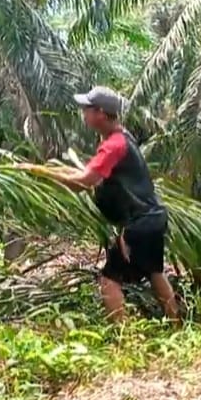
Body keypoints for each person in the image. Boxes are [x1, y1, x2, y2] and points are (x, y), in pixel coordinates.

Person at [46, 85, 180, 324]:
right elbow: (91, 173)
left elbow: (84, 182)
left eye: (87, 109)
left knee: (109, 279)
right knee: (154, 272)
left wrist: (46, 176)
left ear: (100, 113)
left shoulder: (113, 146)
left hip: (140, 224)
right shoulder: (121, 138)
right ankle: (178, 325)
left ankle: (121, 337)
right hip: (153, 218)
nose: (83, 114)